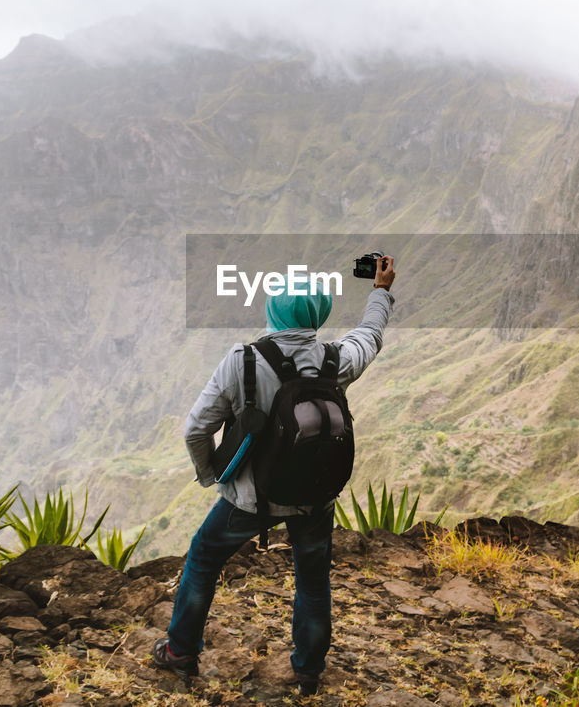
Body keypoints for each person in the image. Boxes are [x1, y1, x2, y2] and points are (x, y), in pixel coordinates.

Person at [153, 255, 397, 695]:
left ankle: (180, 651)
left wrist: (214, 474)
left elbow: (196, 429)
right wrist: (380, 291)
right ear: (318, 314)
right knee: (312, 578)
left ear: (272, 310)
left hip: (249, 498)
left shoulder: (242, 361)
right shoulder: (334, 360)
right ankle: (308, 670)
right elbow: (370, 336)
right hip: (314, 497)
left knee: (203, 560)